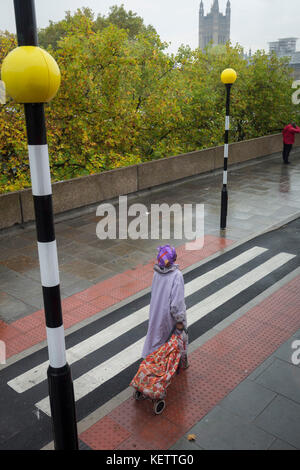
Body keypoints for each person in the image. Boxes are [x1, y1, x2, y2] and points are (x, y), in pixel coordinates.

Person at [142, 244, 188, 369]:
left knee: (156, 337)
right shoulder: (176, 275)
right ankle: (175, 364)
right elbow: (177, 301)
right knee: (174, 339)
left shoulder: (157, 272)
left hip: (156, 311)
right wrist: (179, 319)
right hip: (169, 316)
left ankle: (153, 360)